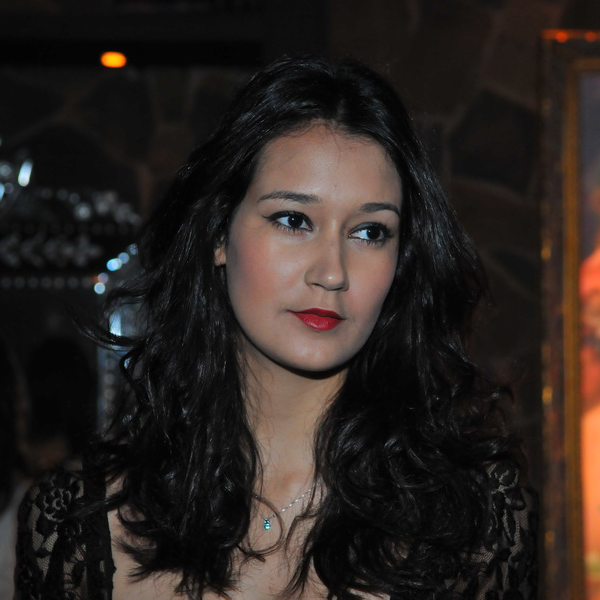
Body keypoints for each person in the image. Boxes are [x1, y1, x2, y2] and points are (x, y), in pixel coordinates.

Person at [15, 54, 537, 599]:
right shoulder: (76, 523)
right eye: (293, 220)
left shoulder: (480, 524)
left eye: (369, 232)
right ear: (219, 234)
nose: (332, 272)